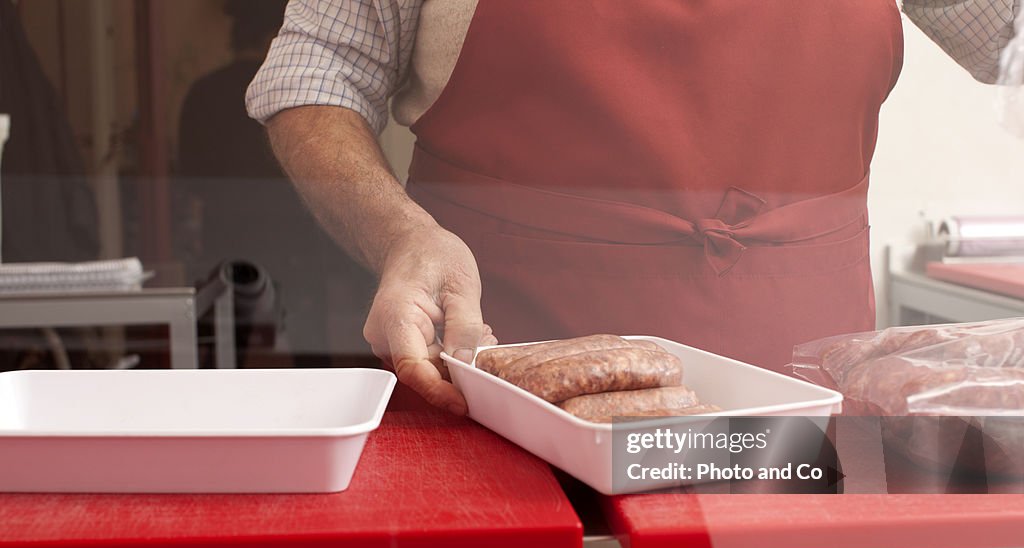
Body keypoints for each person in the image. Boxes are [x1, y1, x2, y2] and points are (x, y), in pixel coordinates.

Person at [246, 0, 1018, 413]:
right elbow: (314, 73)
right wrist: (401, 237)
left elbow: (1008, 30)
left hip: (805, 424)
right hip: (512, 419)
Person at [181, 0, 375, 366]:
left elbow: (192, 176)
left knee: (226, 344)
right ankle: (317, 415)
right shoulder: (298, 98)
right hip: (293, 229)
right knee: (308, 341)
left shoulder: (204, 93)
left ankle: (219, 416)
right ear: (279, 35)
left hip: (228, 233)